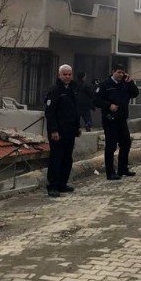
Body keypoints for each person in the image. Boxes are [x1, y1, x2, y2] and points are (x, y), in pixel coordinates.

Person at [93, 64, 140, 180]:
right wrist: (109, 105)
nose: (121, 74)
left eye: (123, 72)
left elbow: (135, 93)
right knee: (111, 146)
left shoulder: (125, 83)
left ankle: (122, 168)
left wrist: (130, 82)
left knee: (126, 143)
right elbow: (96, 100)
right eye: (119, 72)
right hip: (110, 119)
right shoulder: (105, 85)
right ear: (113, 71)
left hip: (122, 118)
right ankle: (110, 172)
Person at [44, 65, 81, 197]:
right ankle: (53, 186)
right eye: (65, 74)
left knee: (67, 158)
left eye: (69, 74)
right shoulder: (55, 90)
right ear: (59, 75)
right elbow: (50, 112)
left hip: (70, 130)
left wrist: (77, 127)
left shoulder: (73, 89)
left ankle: (62, 184)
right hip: (58, 132)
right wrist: (54, 130)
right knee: (56, 158)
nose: (67, 77)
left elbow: (76, 110)